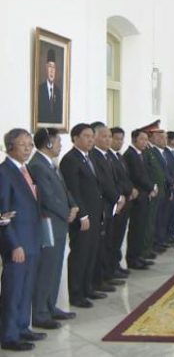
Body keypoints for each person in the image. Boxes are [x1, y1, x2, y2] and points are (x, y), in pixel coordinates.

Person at [27, 128, 78, 330]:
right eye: (57, 142)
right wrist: (66, 212)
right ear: (48, 143)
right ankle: (40, 313)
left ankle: (51, 306)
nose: (60, 145)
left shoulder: (50, 163)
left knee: (56, 267)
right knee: (46, 269)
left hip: (60, 222)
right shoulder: (38, 165)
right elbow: (47, 197)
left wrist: (73, 205)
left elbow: (64, 189)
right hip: (50, 223)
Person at [0, 129, 45, 351]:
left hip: (32, 239)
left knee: (26, 288)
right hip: (17, 243)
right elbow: (2, 215)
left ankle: (22, 327)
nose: (28, 148)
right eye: (22, 144)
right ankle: (8, 335)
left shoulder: (24, 169)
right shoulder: (4, 172)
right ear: (10, 147)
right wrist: (13, 244)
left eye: (30, 144)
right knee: (13, 289)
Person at [60, 123, 105, 308]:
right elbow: (73, 191)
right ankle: (76, 293)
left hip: (94, 214)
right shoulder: (71, 159)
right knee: (80, 254)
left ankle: (88, 288)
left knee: (91, 252)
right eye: (86, 136)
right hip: (83, 216)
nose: (90, 139)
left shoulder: (88, 157)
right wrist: (83, 215)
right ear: (75, 138)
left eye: (91, 136)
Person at [89, 122, 126, 293]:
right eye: (104, 136)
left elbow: (116, 179)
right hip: (103, 207)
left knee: (110, 242)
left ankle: (108, 273)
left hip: (113, 206)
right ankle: (101, 277)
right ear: (95, 137)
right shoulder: (94, 157)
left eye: (109, 136)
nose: (108, 140)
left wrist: (120, 197)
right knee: (101, 246)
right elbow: (103, 182)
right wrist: (117, 197)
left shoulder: (108, 156)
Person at [124, 129, 156, 270]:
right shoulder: (130, 155)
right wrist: (151, 188)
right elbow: (137, 176)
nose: (145, 142)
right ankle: (132, 259)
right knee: (136, 228)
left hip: (144, 196)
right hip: (137, 198)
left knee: (141, 228)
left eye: (146, 139)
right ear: (134, 140)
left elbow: (147, 173)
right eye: (142, 139)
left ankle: (138, 256)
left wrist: (151, 188)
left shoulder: (140, 154)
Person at [108, 127, 137, 275]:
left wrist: (131, 189)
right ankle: (111, 267)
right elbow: (114, 181)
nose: (119, 142)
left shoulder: (119, 157)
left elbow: (126, 177)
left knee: (119, 236)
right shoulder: (109, 158)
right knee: (113, 238)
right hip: (116, 203)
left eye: (121, 139)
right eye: (116, 139)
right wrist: (126, 191)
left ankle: (116, 264)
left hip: (125, 201)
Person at [37, 49, 63, 124]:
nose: (52, 71)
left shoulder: (58, 91)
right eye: (50, 67)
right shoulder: (40, 89)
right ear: (46, 68)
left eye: (53, 68)